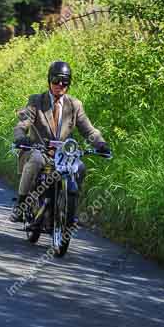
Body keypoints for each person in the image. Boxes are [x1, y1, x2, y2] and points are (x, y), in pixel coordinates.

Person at [9, 60, 111, 222]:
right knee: (35, 161)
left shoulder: (75, 105)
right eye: (56, 80)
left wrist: (101, 144)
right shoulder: (36, 101)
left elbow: (89, 130)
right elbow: (22, 124)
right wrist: (21, 137)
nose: (60, 85)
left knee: (80, 167)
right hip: (40, 151)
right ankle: (21, 205)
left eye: (65, 81)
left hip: (64, 155)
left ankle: (70, 209)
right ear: (49, 80)